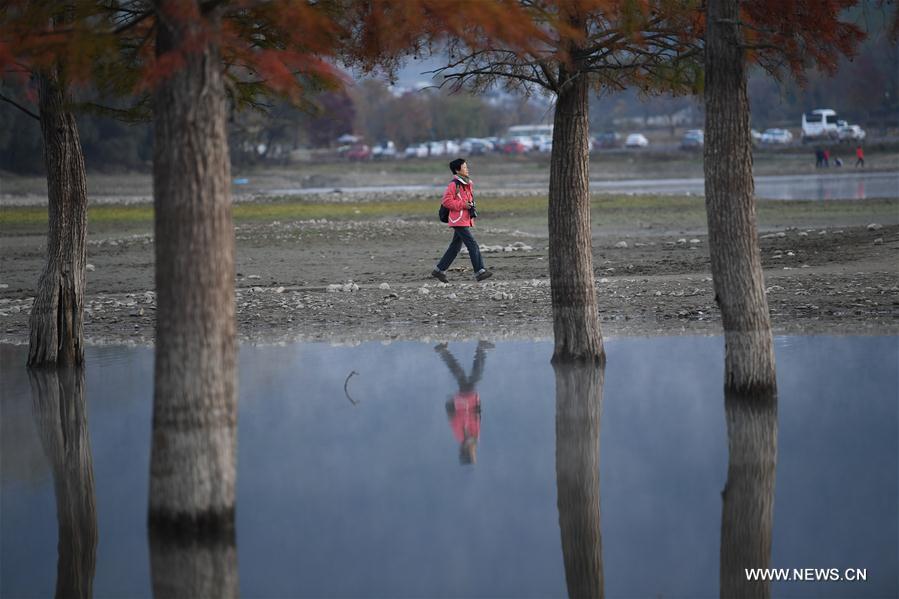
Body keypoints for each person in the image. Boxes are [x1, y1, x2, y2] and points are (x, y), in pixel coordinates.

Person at [431, 158, 493, 283]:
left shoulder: (466, 184)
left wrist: (470, 205)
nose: (467, 169)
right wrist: (464, 205)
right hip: (457, 219)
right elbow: (446, 201)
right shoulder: (454, 184)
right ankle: (480, 271)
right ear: (457, 170)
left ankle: (439, 270)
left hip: (463, 219)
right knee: (472, 245)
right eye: (465, 167)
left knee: (455, 247)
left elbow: (465, 200)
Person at [436, 341, 493, 465]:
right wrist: (477, 405)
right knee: (464, 375)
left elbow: (454, 419)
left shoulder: (461, 435)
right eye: (474, 453)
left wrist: (451, 405)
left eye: (472, 453)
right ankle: (444, 352)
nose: (474, 450)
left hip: (462, 400)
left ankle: (480, 349)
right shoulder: (475, 437)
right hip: (470, 398)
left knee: (469, 376)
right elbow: (477, 417)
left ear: (466, 450)